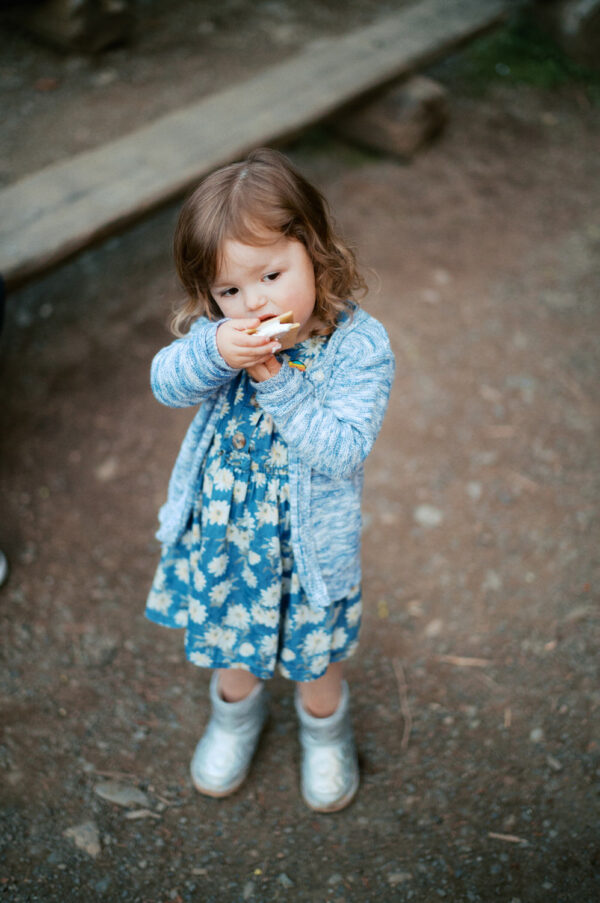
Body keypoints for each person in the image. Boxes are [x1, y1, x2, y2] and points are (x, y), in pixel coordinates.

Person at [146, 147, 394, 812]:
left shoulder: (360, 349)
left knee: (317, 656)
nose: (252, 303)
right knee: (233, 641)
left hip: (310, 546)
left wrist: (276, 381)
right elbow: (165, 382)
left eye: (272, 274)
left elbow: (341, 450)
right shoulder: (222, 336)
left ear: (314, 250)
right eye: (229, 291)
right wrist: (214, 349)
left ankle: (325, 732)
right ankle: (235, 717)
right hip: (230, 533)